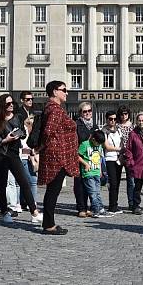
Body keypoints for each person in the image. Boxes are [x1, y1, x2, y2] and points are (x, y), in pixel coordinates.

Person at [0, 94, 42, 225]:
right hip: (0, 154)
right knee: (2, 184)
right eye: (8, 104)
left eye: (12, 103)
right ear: (2, 106)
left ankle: (34, 212)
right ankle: (4, 211)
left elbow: (22, 132)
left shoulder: (18, 116)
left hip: (14, 153)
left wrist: (19, 133)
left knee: (24, 182)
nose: (11, 105)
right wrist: (6, 139)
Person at [39, 81, 79, 235]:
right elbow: (49, 131)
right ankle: (49, 225)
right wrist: (52, 147)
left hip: (57, 155)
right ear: (55, 92)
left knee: (52, 191)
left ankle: (48, 222)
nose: (66, 93)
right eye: (64, 90)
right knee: (53, 191)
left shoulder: (52, 108)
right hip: (58, 157)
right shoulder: (55, 110)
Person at [79, 129, 113, 217]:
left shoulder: (100, 146)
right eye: (98, 143)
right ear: (93, 139)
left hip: (97, 172)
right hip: (88, 173)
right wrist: (85, 164)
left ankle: (100, 208)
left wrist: (101, 170)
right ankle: (95, 209)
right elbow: (77, 156)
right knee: (93, 192)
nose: (99, 145)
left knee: (97, 192)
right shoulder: (85, 144)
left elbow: (99, 159)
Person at [74, 101, 97, 217]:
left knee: (90, 183)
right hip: (79, 157)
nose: (87, 113)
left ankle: (90, 207)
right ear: (80, 113)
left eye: (89, 111)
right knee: (79, 184)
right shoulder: (77, 124)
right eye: (85, 111)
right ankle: (81, 207)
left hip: (92, 158)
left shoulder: (95, 125)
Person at [102, 111, 124, 214]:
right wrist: (119, 149)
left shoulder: (118, 130)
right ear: (107, 119)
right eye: (111, 119)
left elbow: (122, 141)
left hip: (118, 159)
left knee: (117, 183)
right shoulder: (104, 131)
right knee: (113, 182)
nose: (113, 121)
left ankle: (115, 204)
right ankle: (112, 206)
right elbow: (107, 146)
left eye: (115, 119)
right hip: (109, 159)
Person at [116, 105, 136, 210]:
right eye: (122, 114)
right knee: (116, 180)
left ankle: (131, 203)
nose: (124, 116)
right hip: (118, 155)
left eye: (126, 114)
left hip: (130, 156)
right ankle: (114, 203)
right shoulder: (116, 126)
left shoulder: (133, 127)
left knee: (131, 180)